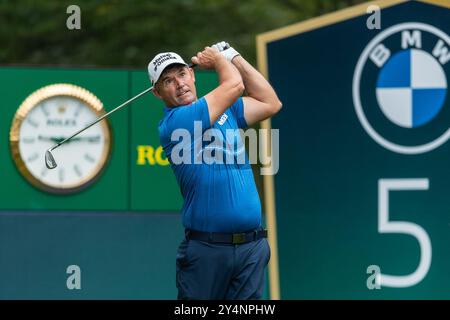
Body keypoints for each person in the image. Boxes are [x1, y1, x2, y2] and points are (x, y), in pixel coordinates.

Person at [148, 41, 282, 300]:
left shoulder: (226, 111)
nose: (179, 84)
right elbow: (235, 86)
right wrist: (220, 60)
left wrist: (235, 57)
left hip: (251, 248)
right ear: (157, 93)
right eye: (168, 81)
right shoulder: (175, 123)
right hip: (207, 250)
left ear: (192, 74)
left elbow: (270, 102)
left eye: (182, 74)